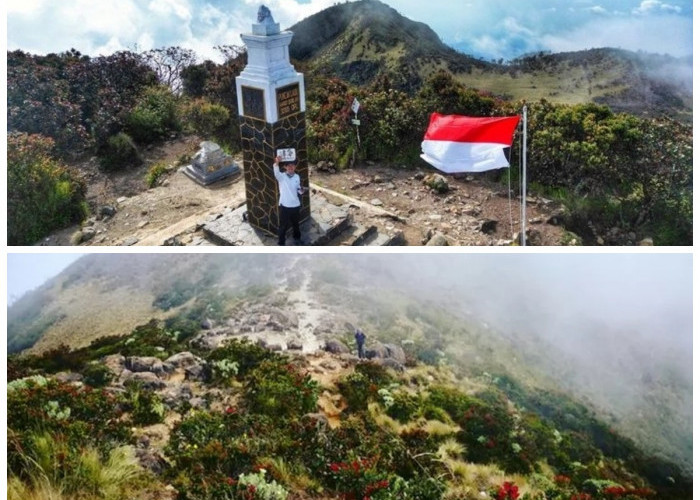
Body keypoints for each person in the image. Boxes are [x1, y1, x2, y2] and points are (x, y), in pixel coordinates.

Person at [272, 156, 305, 246]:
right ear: (285, 167)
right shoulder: (281, 177)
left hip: (295, 205)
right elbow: (276, 172)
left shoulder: (297, 176)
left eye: (293, 165)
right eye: (288, 165)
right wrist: (277, 163)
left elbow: (298, 188)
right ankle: (281, 243)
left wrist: (301, 191)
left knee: (296, 224)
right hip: (285, 206)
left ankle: (297, 238)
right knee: (283, 226)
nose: (291, 167)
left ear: (295, 167)